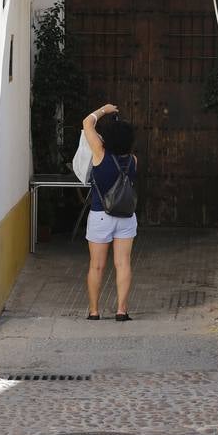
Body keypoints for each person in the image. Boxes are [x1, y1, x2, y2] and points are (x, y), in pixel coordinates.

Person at [82, 103, 137, 321]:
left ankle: (94, 311)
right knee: (123, 263)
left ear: (107, 138)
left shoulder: (100, 154)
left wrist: (104, 110)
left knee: (96, 266)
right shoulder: (133, 161)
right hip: (126, 217)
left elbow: (87, 123)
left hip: (100, 215)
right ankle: (121, 310)